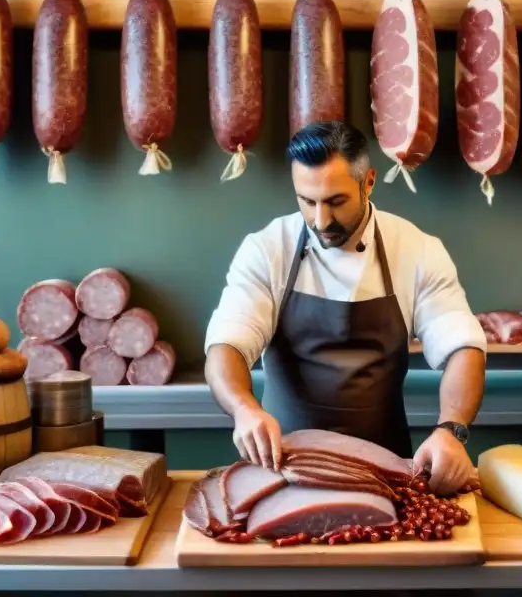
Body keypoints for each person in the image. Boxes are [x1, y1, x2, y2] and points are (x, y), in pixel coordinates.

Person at [203, 121, 488, 495]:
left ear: (368, 182)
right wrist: (243, 409)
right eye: (307, 201)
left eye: (336, 201)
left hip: (388, 473)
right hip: (283, 470)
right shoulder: (267, 248)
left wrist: (451, 430)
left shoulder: (417, 250)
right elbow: (227, 344)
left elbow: (462, 348)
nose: (321, 220)